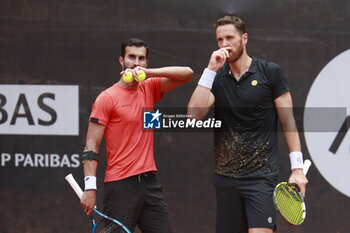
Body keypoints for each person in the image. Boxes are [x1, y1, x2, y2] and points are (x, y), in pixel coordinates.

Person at [187, 16, 308, 233]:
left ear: (244, 38)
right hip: (226, 180)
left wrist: (297, 168)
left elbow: (287, 120)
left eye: (230, 38)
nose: (225, 44)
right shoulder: (215, 77)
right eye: (220, 39)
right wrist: (210, 71)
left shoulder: (269, 72)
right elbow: (194, 114)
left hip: (261, 178)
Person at [80, 38, 193, 232]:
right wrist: (90, 187)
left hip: (150, 185)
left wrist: (149, 74)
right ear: (121, 61)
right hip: (121, 186)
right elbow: (91, 144)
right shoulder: (107, 98)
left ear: (146, 63)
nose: (136, 62)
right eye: (131, 57)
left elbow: (187, 74)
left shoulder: (149, 88)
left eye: (141, 58)